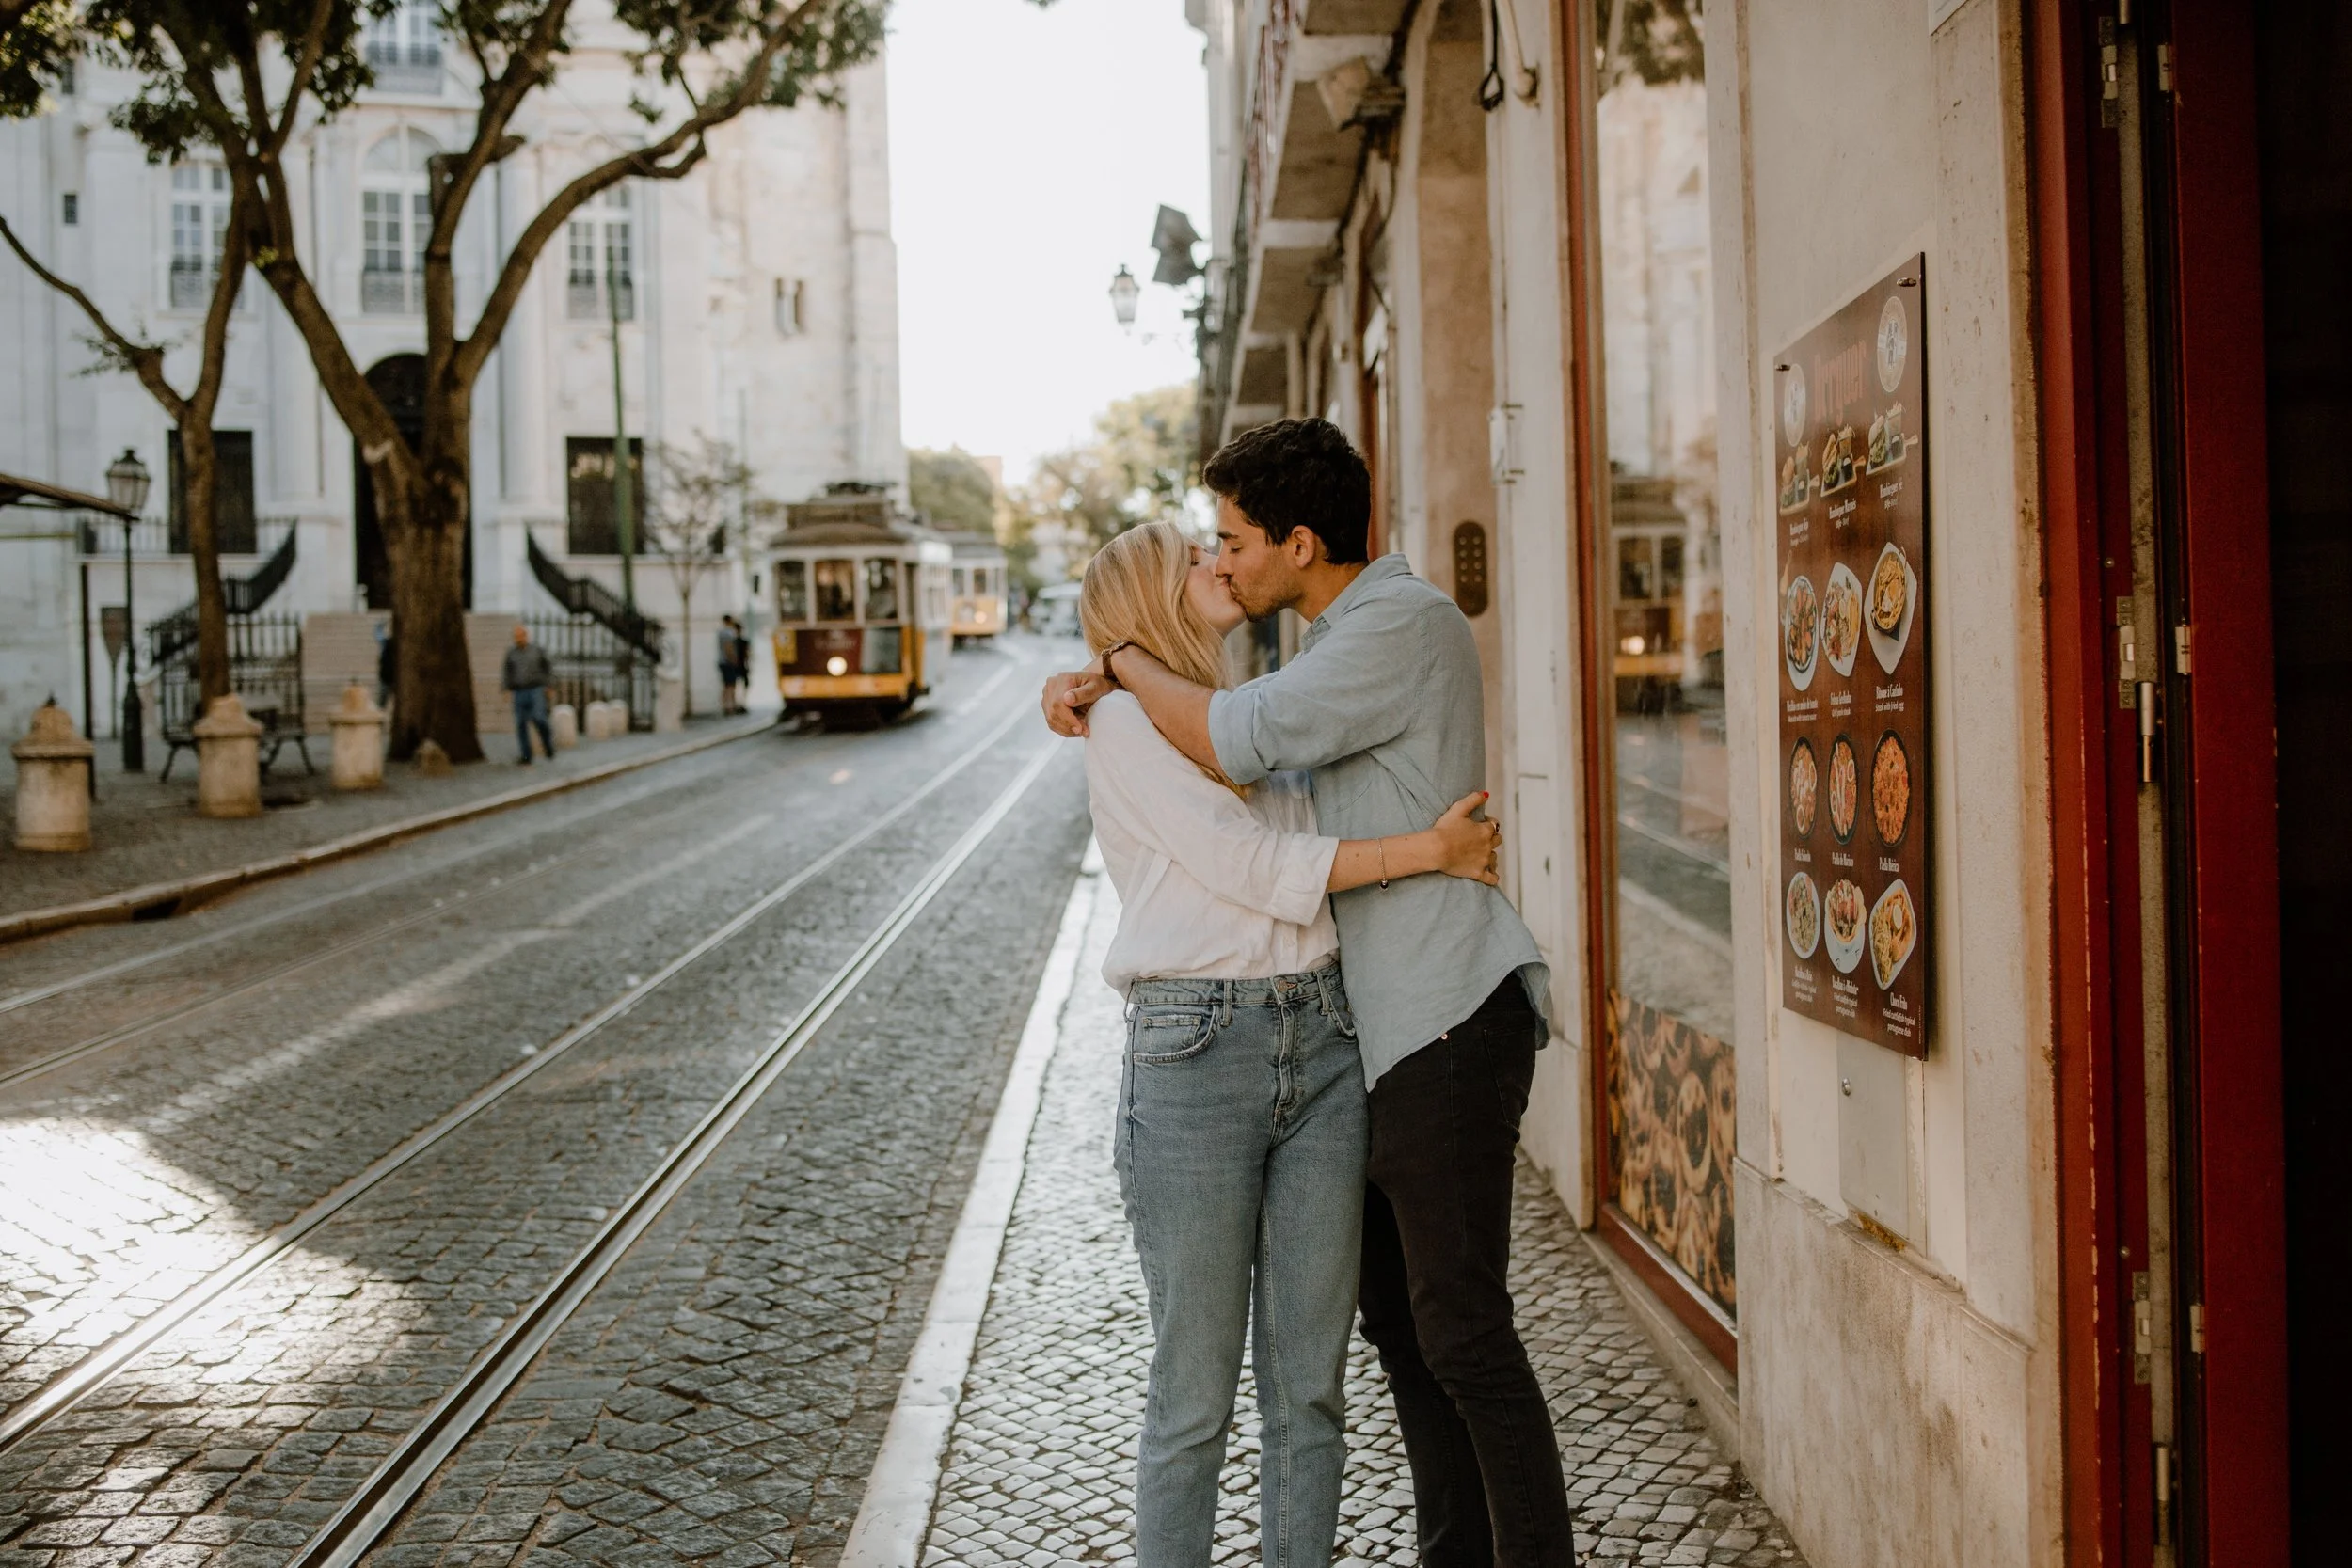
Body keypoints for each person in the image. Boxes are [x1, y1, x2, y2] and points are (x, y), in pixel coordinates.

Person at [1045, 420, 1575, 1567]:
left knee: (1421, 1345)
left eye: (1231, 541)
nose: (1224, 562)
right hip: (1294, 1041)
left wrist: (1118, 659)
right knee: (1360, 1341)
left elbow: (1256, 768)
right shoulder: (1242, 684)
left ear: (1296, 539)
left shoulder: (1381, 632)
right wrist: (1114, 674)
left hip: (1403, 1020)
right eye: (1204, 552)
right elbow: (1264, 835)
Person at [502, 623, 555, 764]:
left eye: (521, 635)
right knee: (520, 723)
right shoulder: (511, 653)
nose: (519, 639)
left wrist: (549, 685)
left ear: (526, 636)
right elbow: (507, 672)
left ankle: (548, 744)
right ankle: (526, 755)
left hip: (536, 689)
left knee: (539, 718)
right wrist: (506, 688)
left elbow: (548, 667)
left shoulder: (537, 650)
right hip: (519, 690)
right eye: (516, 636)